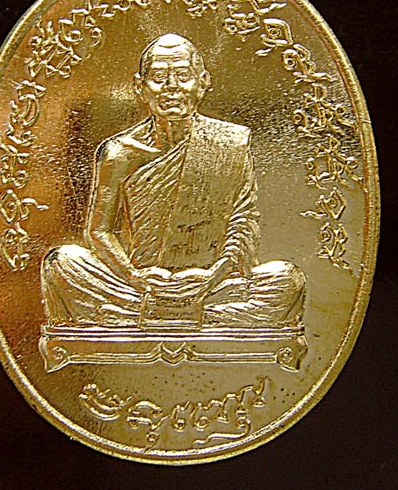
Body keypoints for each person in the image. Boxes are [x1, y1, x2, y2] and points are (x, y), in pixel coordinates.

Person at [41, 33, 305, 329]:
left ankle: (143, 316)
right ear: (140, 87)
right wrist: (133, 276)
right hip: (138, 285)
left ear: (202, 82)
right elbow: (99, 231)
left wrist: (214, 275)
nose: (171, 87)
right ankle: (189, 316)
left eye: (183, 76)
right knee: (62, 262)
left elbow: (243, 223)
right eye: (158, 78)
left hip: (211, 285)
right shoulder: (119, 152)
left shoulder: (231, 143)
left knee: (286, 279)